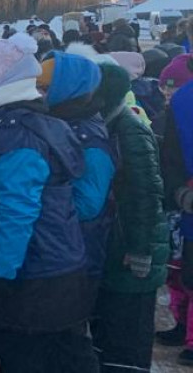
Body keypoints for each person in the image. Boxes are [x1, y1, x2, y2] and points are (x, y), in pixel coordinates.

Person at [0, 34, 97, 373]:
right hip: (50, 267)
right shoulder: (12, 126)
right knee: (61, 356)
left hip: (34, 275)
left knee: (29, 359)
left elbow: (17, 214)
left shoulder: (15, 135)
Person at [86, 61, 167, 372]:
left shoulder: (130, 130)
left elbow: (145, 195)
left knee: (128, 338)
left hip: (132, 251)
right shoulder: (108, 125)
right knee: (108, 332)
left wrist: (140, 250)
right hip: (115, 247)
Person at [37, 52, 118, 308]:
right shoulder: (58, 122)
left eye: (44, 88)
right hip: (58, 247)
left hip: (77, 252)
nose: (37, 94)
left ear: (67, 90)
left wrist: (36, 202)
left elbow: (88, 204)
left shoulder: (89, 138)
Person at [158, 54, 193, 363]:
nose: (167, 92)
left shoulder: (181, 104)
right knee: (181, 272)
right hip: (182, 204)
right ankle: (184, 327)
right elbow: (170, 158)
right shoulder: (178, 105)